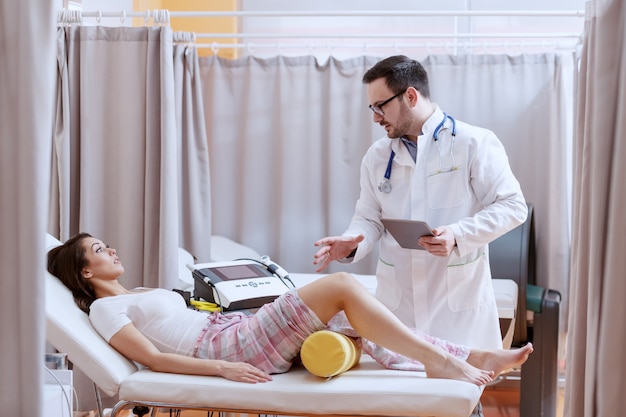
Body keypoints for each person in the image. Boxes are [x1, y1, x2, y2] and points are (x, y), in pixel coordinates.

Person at [48, 232, 532, 385]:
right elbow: (151, 362)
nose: (111, 250)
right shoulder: (104, 313)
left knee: (348, 313)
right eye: (99, 249)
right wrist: (223, 368)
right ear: (85, 273)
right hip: (231, 345)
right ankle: (449, 362)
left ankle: (465, 356)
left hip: (237, 328)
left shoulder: (133, 296)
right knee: (341, 284)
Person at [313, 55, 528, 353]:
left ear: (410, 96)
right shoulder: (377, 157)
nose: (375, 117)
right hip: (398, 309)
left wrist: (458, 235)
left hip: (457, 311)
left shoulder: (473, 143)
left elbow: (512, 205)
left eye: (380, 106)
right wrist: (351, 242)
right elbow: (368, 217)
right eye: (372, 108)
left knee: (461, 392)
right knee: (401, 397)